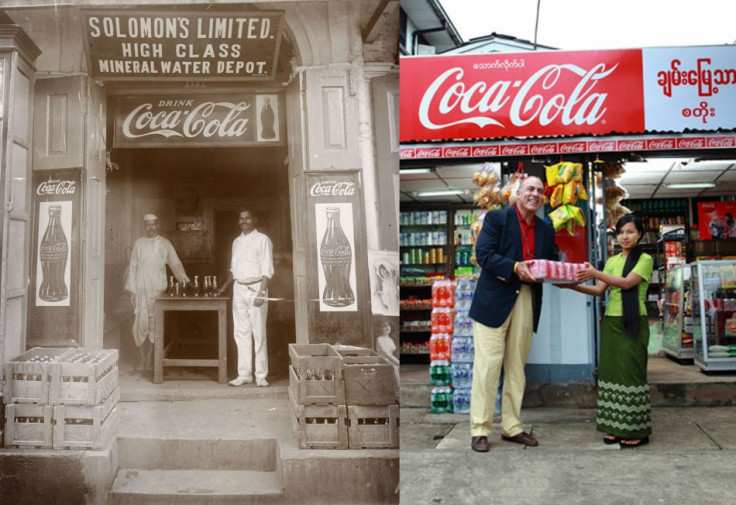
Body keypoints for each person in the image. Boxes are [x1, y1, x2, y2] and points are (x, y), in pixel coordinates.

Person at [468, 175, 558, 453]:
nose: (535, 194)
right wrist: (515, 266)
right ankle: (480, 429)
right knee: (488, 366)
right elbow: (483, 254)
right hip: (494, 299)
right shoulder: (497, 219)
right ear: (518, 193)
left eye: (540, 191)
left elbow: (550, 260)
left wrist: (559, 269)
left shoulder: (545, 229)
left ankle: (512, 427)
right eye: (530, 189)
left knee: (517, 366)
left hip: (527, 297)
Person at [559, 213, 654, 448]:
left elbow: (626, 283)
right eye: (621, 232)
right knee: (612, 374)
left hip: (633, 322)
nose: (625, 236)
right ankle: (614, 427)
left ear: (639, 234)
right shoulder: (612, 261)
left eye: (630, 231)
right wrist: (571, 287)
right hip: (611, 323)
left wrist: (595, 273)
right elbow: (599, 290)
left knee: (631, 374)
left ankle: (638, 430)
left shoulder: (645, 259)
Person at [125, 214, 190, 371]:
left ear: (158, 225)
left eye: (153, 224)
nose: (151, 227)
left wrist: (185, 281)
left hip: (158, 291)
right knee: (140, 326)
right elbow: (132, 267)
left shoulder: (165, 244)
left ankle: (149, 360)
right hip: (141, 290)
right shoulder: (139, 243)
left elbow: (175, 264)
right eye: (147, 225)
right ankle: (141, 360)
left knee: (154, 326)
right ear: (144, 226)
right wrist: (132, 291)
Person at [217, 209, 274, 387]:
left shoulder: (263, 240)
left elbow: (268, 270)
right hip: (239, 289)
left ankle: (261, 375)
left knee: (258, 332)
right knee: (241, 333)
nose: (244, 221)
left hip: (257, 287)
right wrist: (223, 289)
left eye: (248, 217)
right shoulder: (236, 242)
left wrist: (262, 293)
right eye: (241, 218)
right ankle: (244, 374)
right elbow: (234, 271)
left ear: (255, 219)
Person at [376, 320, 400, 386]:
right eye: (384, 326)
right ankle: (398, 387)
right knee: (395, 367)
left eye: (388, 325)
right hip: (383, 360)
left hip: (391, 360)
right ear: (381, 328)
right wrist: (397, 362)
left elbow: (394, 352)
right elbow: (387, 354)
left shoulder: (390, 339)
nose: (387, 328)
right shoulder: (379, 339)